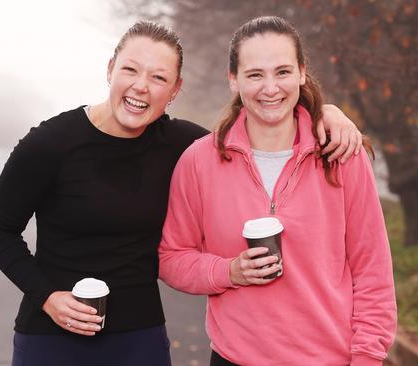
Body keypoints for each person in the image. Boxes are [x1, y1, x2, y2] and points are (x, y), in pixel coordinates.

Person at [0, 20, 364, 366]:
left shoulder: (184, 145)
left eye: (159, 78)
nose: (140, 86)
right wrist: (47, 297)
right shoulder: (50, 143)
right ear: (110, 69)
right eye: (130, 70)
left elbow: (248, 135)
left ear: (175, 89)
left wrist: (324, 113)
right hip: (50, 336)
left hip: (139, 337)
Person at [158, 16, 397, 366]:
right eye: (255, 74)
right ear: (233, 80)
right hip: (233, 359)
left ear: (302, 72)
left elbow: (373, 272)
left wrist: (368, 357)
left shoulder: (343, 154)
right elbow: (171, 257)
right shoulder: (200, 161)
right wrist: (229, 272)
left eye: (282, 71)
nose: (270, 88)